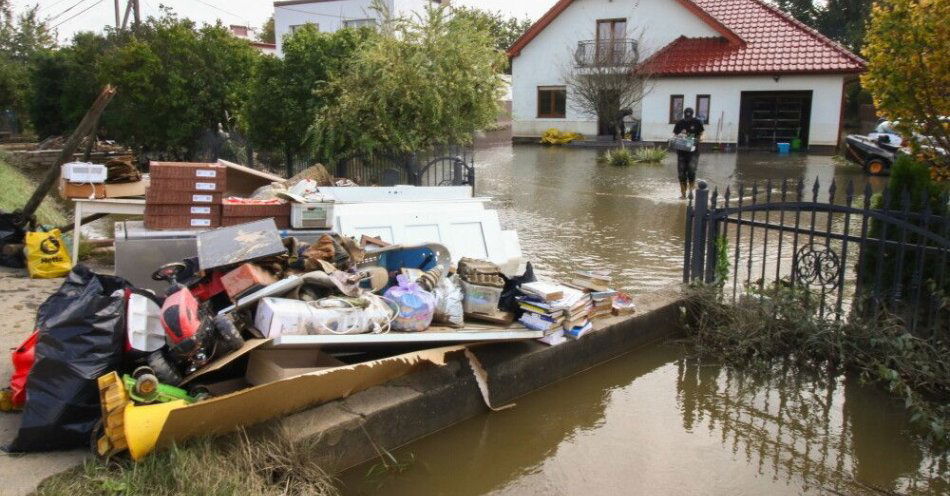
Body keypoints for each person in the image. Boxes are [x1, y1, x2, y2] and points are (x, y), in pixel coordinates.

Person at [673, 107, 704, 199]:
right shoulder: (679, 123)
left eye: (689, 116)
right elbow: (675, 134)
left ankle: (691, 191)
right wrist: (676, 137)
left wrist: (701, 138)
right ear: (684, 114)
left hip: (693, 152)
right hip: (681, 152)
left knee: (691, 171)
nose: (688, 118)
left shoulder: (697, 122)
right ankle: (683, 193)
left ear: (692, 115)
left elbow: (701, 133)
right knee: (681, 173)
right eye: (686, 116)